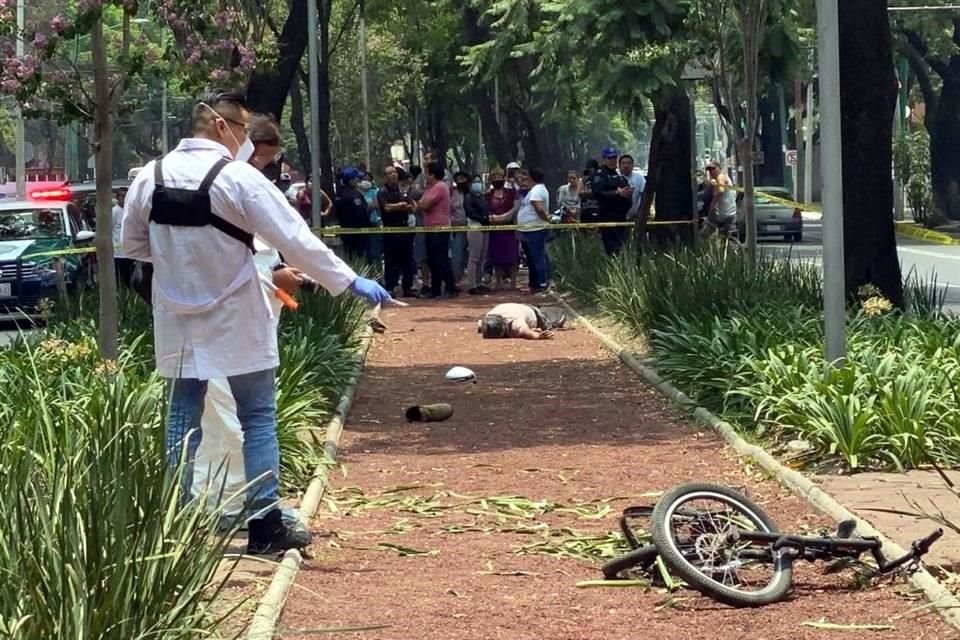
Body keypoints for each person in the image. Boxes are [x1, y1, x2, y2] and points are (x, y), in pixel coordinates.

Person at [121, 92, 392, 555]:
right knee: (258, 416)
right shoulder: (238, 177)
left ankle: (173, 525)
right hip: (238, 316)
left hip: (178, 318)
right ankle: (265, 524)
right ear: (222, 127)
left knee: (182, 418)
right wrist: (348, 280)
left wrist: (184, 262)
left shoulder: (150, 176)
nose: (245, 138)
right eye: (243, 129)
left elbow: (133, 245)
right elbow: (293, 236)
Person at [192, 113, 307, 529]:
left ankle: (234, 503)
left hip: (246, 323)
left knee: (233, 421)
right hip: (224, 327)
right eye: (260, 158)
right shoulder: (222, 188)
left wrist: (276, 276)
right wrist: (274, 278)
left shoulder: (242, 187)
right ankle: (232, 506)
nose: (262, 167)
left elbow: (261, 253)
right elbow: (227, 264)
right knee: (229, 418)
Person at [415, 162, 458, 298]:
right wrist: (420, 204)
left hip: (439, 228)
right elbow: (420, 205)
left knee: (441, 259)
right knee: (432, 260)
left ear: (432, 174)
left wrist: (419, 204)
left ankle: (450, 288)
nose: (425, 176)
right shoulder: (430, 188)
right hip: (430, 228)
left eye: (427, 173)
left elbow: (424, 205)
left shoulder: (440, 186)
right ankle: (436, 289)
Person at [377, 164, 417, 297]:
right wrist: (400, 206)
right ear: (385, 177)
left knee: (407, 260)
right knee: (391, 261)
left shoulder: (402, 191)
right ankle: (390, 287)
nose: (393, 175)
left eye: (394, 172)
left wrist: (406, 206)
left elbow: (412, 206)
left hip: (404, 229)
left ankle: (407, 287)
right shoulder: (382, 192)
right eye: (390, 173)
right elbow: (386, 208)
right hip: (390, 230)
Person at [516, 168, 551, 294]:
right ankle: (535, 283)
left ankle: (542, 283)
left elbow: (539, 208)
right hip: (529, 229)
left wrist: (547, 219)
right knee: (532, 257)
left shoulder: (537, 190)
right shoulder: (535, 189)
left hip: (535, 229)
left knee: (537, 257)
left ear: (532, 177)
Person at [592, 147, 632, 255]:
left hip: (621, 216)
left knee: (620, 246)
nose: (612, 160)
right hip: (607, 216)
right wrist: (616, 193)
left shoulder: (618, 175)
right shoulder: (600, 174)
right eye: (609, 158)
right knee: (611, 247)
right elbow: (597, 193)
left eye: (614, 158)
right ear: (604, 159)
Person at [485, 167, 519, 290]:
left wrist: (504, 217)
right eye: (495, 177)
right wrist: (493, 218)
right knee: (496, 256)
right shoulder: (487, 195)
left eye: (499, 177)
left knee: (513, 256)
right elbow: (486, 209)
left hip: (509, 229)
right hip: (494, 230)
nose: (497, 179)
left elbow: (515, 208)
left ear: (504, 178)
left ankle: (513, 282)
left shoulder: (511, 193)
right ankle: (498, 281)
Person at [334, 166, 371, 261]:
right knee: (359, 259)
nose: (358, 181)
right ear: (351, 180)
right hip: (357, 233)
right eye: (357, 178)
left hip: (346, 232)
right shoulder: (353, 195)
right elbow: (360, 213)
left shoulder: (340, 193)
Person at [462, 173, 491, 295]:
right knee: (474, 258)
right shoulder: (468, 197)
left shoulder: (482, 198)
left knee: (481, 258)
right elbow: (469, 212)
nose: (478, 184)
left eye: (479, 182)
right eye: (475, 182)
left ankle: (479, 283)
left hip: (485, 228)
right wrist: (481, 219)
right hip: (475, 228)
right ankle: (472, 285)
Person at [477, 302, 566, 340]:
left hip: (535, 315)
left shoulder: (515, 322)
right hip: (517, 307)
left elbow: (526, 331)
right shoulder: (489, 317)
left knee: (556, 320)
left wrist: (537, 335)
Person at [449, 171, 471, 285]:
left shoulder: (472, 193)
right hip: (457, 229)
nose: (461, 181)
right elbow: (448, 210)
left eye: (463, 178)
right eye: (458, 179)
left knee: (473, 257)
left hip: (473, 228)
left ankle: (474, 281)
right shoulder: (452, 193)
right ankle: (456, 280)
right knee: (457, 256)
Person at [705, 161, 738, 237]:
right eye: (710, 170)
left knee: (705, 229)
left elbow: (720, 191)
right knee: (723, 236)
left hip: (722, 214)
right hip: (732, 213)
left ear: (719, 168)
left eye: (714, 169)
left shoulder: (720, 177)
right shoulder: (726, 178)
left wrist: (712, 205)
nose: (712, 172)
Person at [359, 171, 382, 265]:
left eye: (368, 180)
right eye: (364, 179)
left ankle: (376, 268)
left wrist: (366, 207)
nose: (366, 182)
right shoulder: (358, 192)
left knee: (375, 249)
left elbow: (376, 205)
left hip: (373, 222)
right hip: (362, 223)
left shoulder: (374, 192)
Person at [619, 154, 646, 220]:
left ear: (633, 165)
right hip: (617, 215)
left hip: (634, 216)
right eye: (623, 163)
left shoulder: (639, 178)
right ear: (619, 165)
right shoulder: (615, 177)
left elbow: (644, 195)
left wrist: (641, 212)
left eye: (629, 163)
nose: (626, 166)